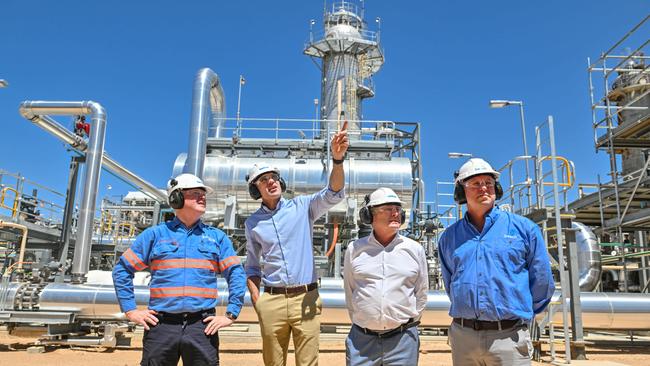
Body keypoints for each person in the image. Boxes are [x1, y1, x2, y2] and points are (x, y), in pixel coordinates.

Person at [113, 173, 246, 366]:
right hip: (161, 325)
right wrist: (131, 311)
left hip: (202, 326)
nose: (202, 197)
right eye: (195, 193)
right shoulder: (155, 235)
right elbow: (122, 270)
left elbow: (236, 273)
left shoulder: (216, 237)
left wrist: (231, 314)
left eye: (203, 194)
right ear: (176, 198)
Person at [245, 121, 349, 366]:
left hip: (307, 298)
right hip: (271, 301)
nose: (271, 182)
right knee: (273, 362)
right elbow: (251, 266)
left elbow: (333, 193)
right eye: (263, 180)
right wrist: (257, 299)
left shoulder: (303, 207)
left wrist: (337, 160)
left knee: (308, 362)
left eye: (273, 177)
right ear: (255, 190)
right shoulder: (252, 224)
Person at [438, 158, 555, 366]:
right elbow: (451, 284)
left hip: (508, 337)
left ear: (496, 188)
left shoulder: (524, 229)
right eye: (475, 183)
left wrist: (517, 314)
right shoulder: (449, 237)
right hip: (464, 338)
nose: (483, 188)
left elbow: (542, 282)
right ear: (461, 191)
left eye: (488, 183)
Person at [343, 187, 428, 366]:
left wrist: (405, 323)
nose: (395, 213)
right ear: (369, 215)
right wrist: (366, 319)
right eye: (388, 209)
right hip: (362, 341)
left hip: (403, 340)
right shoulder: (355, 250)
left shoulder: (414, 250)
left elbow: (421, 293)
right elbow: (350, 292)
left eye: (398, 209)